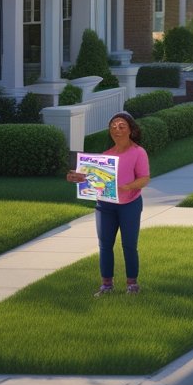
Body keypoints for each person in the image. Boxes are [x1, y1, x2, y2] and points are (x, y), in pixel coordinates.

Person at [66, 112, 150, 297]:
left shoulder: (138, 152)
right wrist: (78, 178)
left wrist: (128, 186)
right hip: (105, 206)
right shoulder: (105, 156)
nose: (116, 129)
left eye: (121, 126)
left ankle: (132, 285)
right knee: (105, 245)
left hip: (130, 204)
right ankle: (106, 285)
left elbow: (144, 178)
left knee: (129, 245)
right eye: (113, 126)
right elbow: (94, 180)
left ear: (131, 130)